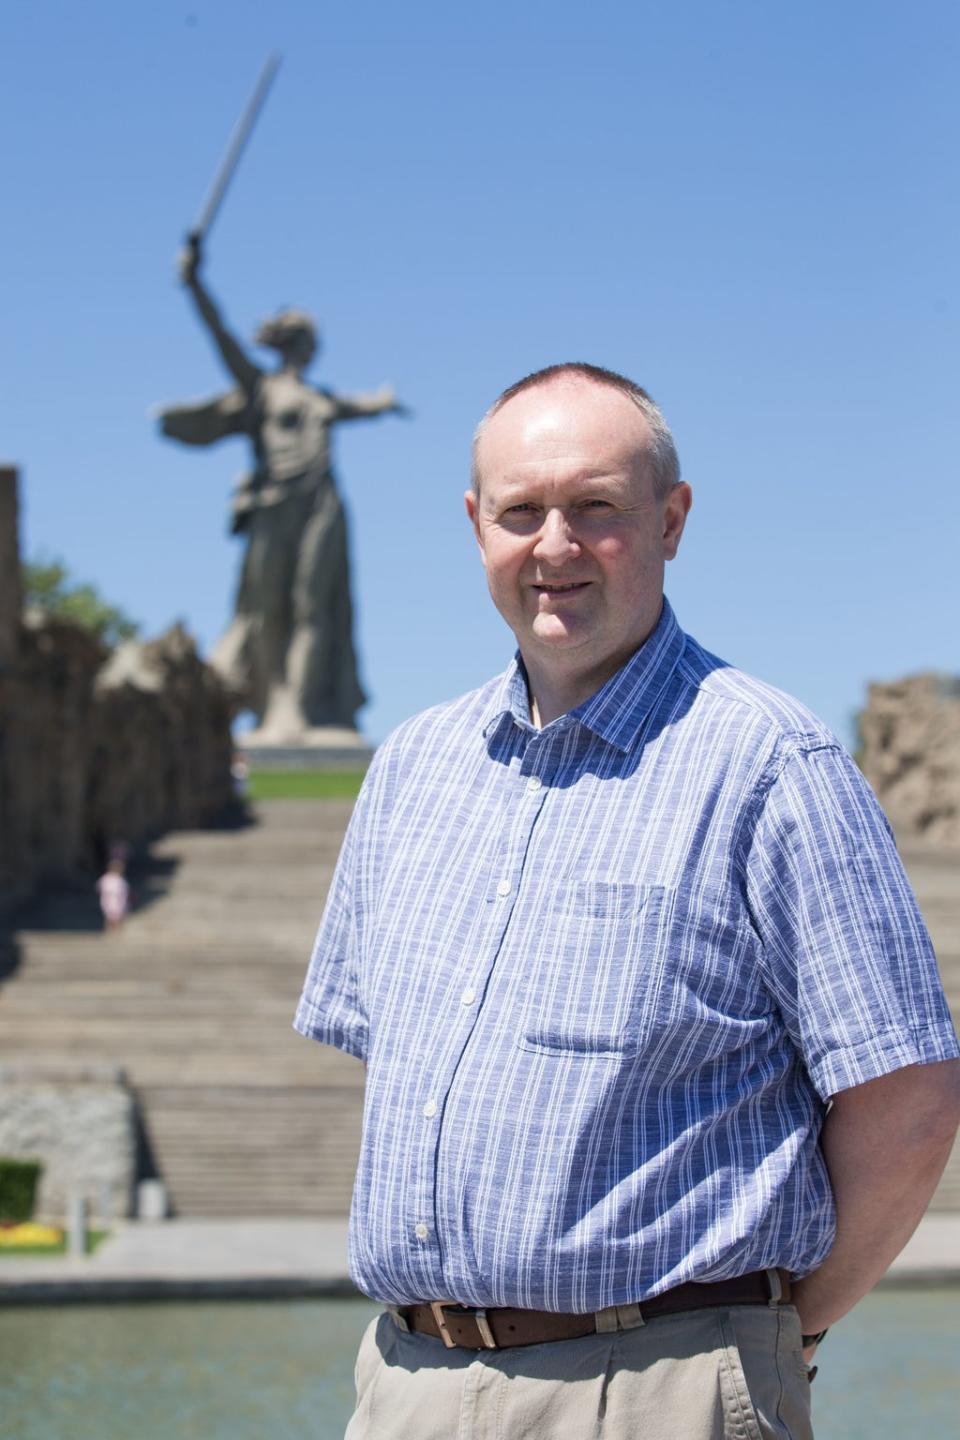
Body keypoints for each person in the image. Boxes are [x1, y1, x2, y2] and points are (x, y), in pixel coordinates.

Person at [295, 363, 960, 1439]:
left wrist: (779, 1335)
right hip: (407, 1386)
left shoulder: (771, 765)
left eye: (595, 507)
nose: (553, 544)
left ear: (672, 519)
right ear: (477, 526)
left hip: (661, 1388)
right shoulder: (410, 771)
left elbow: (912, 1098)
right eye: (520, 511)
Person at [157, 237, 407, 738]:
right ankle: (274, 707)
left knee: (315, 606)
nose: (313, 347)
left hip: (322, 502)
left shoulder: (321, 398)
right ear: (293, 343)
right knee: (266, 608)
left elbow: (360, 407)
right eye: (307, 339)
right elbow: (221, 336)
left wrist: (383, 403)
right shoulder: (262, 388)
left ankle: (306, 707)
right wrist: (194, 283)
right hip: (275, 503)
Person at [96, 857, 130, 932]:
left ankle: (117, 930)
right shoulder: (106, 878)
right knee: (109, 916)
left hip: (118, 900)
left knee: (118, 915)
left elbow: (124, 891)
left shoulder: (120, 880)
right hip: (108, 899)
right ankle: (110, 929)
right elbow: (100, 888)